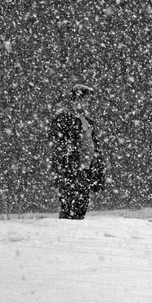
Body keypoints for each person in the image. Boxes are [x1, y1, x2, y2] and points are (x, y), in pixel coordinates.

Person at [49, 83, 105, 219]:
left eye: (88, 100)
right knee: (70, 205)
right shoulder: (64, 118)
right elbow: (58, 143)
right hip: (71, 168)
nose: (87, 103)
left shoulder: (88, 121)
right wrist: (69, 163)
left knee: (81, 204)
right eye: (84, 99)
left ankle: (73, 229)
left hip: (84, 168)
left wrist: (97, 171)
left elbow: (94, 146)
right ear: (76, 99)